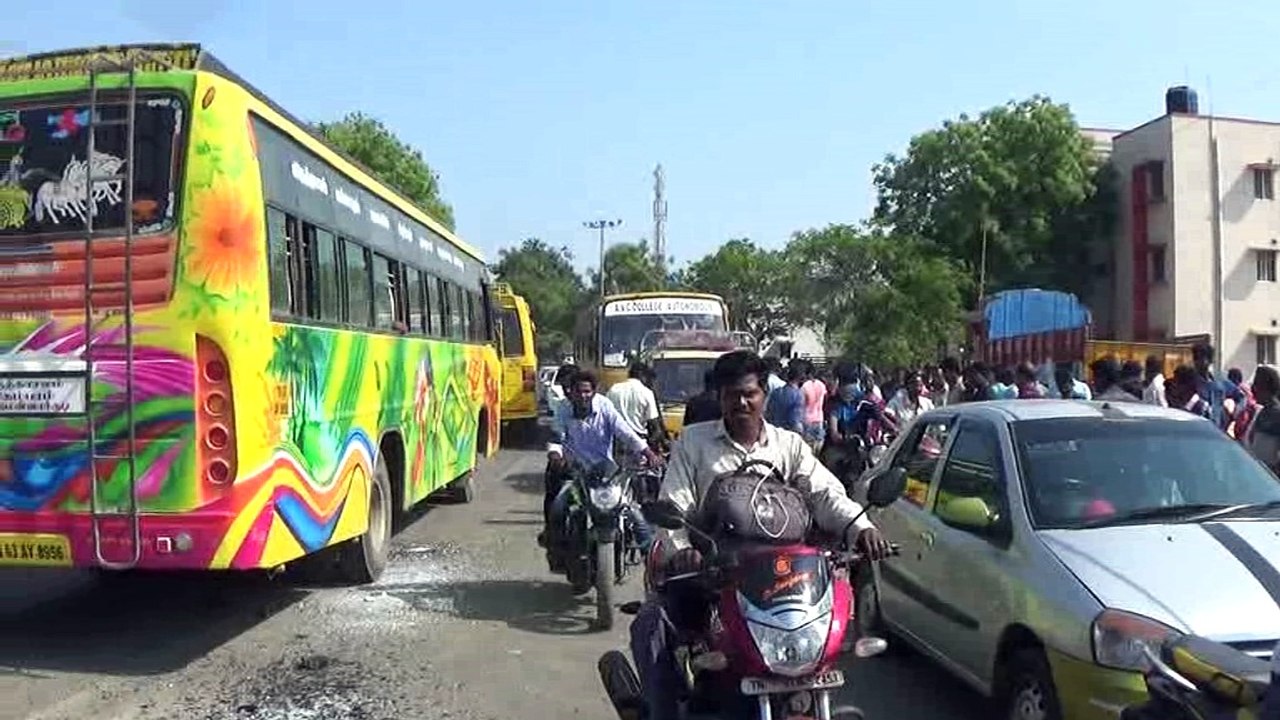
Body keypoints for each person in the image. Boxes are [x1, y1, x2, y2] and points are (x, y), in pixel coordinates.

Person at [629, 350, 894, 720]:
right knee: (652, 625)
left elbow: (826, 494)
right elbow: (674, 504)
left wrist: (861, 527)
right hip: (717, 576)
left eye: (749, 393)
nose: (741, 401)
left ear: (764, 396)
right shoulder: (694, 443)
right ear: (720, 397)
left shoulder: (789, 445)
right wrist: (682, 550)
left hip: (790, 582)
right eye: (732, 394)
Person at [539, 369, 661, 571]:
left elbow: (625, 432)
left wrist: (648, 453)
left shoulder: (604, 406)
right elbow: (556, 438)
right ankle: (557, 554)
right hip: (576, 474)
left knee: (634, 515)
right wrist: (556, 456)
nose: (583, 396)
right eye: (579, 391)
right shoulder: (563, 409)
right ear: (571, 392)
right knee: (558, 507)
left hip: (606, 474)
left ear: (594, 392)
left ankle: (653, 566)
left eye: (587, 391)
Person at [607, 361, 668, 449]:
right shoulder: (646, 392)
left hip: (616, 444)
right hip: (638, 444)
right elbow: (655, 427)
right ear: (643, 376)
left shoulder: (613, 389)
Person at [1247, 365, 1280, 473]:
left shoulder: (1277, 414)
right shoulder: (1261, 412)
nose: (1254, 392)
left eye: (1257, 387)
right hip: (1258, 470)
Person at [1192, 343, 1229, 430]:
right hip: (1197, 428)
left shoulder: (1219, 383)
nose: (1198, 362)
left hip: (1216, 429)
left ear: (1210, 360)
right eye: (1196, 358)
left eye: (1202, 358)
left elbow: (1239, 396)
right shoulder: (1190, 383)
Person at [764, 362, 805, 434]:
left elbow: (768, 412)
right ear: (801, 377)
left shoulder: (776, 392)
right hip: (788, 433)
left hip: (774, 431)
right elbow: (794, 420)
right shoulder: (798, 395)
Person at [799, 361, 828, 453]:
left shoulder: (804, 386)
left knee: (807, 450)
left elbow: (801, 403)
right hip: (819, 418)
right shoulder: (822, 385)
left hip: (807, 420)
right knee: (818, 448)